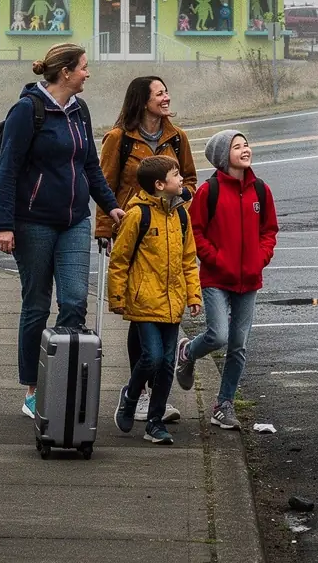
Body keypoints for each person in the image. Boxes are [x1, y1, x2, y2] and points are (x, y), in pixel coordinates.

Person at [0, 42, 124, 419]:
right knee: (36, 304)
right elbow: (7, 170)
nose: (88, 73)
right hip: (32, 221)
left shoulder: (79, 109)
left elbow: (90, 165)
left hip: (74, 221)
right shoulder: (27, 110)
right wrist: (4, 225)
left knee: (73, 302)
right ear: (65, 72)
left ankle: (60, 383)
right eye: (84, 67)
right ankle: (34, 389)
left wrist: (109, 204)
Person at [96, 75, 197, 423]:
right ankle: (137, 395)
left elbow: (191, 180)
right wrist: (104, 230)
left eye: (167, 91)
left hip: (167, 230)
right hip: (133, 231)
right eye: (159, 93)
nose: (166, 98)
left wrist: (183, 201)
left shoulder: (177, 137)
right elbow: (104, 184)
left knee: (158, 309)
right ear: (142, 100)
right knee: (142, 310)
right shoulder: (119, 138)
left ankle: (152, 393)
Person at [175, 130, 278, 430]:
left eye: (246, 144)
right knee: (218, 335)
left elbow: (269, 230)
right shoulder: (210, 191)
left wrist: (261, 258)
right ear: (223, 156)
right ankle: (187, 351)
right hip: (216, 279)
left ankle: (223, 404)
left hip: (250, 281)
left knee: (238, 345)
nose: (245, 149)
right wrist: (217, 260)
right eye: (237, 146)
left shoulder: (261, 190)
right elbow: (195, 232)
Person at [109, 156, 202, 444]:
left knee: (165, 365)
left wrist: (193, 294)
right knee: (151, 356)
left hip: (172, 303)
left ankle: (154, 422)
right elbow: (120, 259)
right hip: (144, 301)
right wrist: (117, 296)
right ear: (160, 185)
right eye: (176, 175)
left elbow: (188, 259)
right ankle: (131, 395)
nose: (181, 180)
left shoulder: (180, 216)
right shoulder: (137, 215)